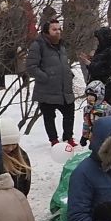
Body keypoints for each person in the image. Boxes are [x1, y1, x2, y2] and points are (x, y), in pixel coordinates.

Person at [27, 19, 76, 148]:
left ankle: (68, 137)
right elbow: (31, 67)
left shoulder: (62, 45)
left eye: (59, 29)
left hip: (64, 89)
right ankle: (53, 140)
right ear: (46, 31)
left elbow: (63, 64)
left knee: (69, 113)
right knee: (49, 117)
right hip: (46, 90)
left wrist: (69, 74)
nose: (58, 32)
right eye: (54, 30)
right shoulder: (38, 45)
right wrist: (46, 77)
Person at [87, 25, 111, 112]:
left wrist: (90, 65)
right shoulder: (104, 49)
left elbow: (105, 71)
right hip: (99, 94)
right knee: (94, 116)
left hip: (108, 95)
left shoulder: (110, 52)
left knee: (102, 116)